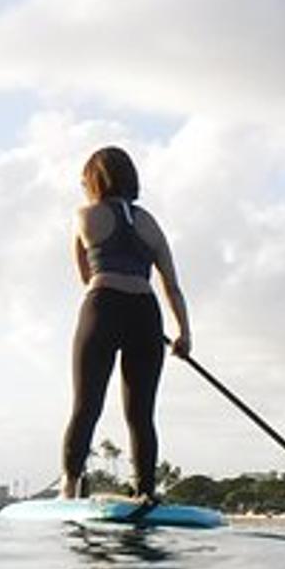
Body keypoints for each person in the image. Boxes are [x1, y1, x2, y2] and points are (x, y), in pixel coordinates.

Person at [62, 145, 191, 501]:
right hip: (145, 315)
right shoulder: (150, 223)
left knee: (86, 404)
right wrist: (184, 333)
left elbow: (86, 277)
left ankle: (69, 487)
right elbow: (171, 285)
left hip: (102, 309)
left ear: (93, 180)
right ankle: (145, 490)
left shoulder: (84, 216)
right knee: (141, 413)